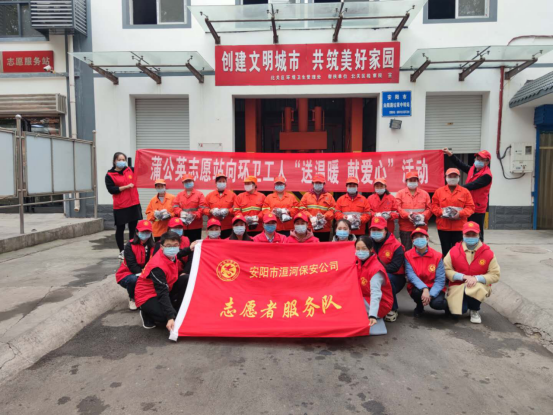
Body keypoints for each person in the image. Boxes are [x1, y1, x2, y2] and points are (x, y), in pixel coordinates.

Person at [444, 221, 500, 324]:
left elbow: (495, 274)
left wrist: (476, 278)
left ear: (479, 235)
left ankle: (475, 309)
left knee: (476, 287)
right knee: (458, 312)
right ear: (463, 235)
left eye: (473, 234)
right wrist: (463, 277)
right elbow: (446, 269)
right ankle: (460, 304)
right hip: (458, 286)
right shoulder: (453, 251)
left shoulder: (488, 253)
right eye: (467, 234)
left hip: (478, 286)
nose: (470, 237)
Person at [135, 231, 190, 331]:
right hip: (148, 295)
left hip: (167, 286)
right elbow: (162, 292)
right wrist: (170, 317)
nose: (172, 248)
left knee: (186, 279)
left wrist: (190, 248)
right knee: (167, 318)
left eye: (175, 245)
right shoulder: (157, 266)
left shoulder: (171, 255)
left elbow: (179, 254)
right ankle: (145, 312)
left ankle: (178, 309)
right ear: (161, 247)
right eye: (168, 245)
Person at [443, 149, 493, 241]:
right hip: (468, 206)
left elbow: (472, 185)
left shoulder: (486, 176)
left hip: (477, 208)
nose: (478, 160)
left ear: (487, 162)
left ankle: (480, 248)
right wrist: (451, 155)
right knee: (467, 230)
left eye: (482, 159)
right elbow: (461, 165)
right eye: (478, 158)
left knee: (476, 231)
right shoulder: (473, 169)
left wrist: (456, 188)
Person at [105, 152, 142, 259]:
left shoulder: (131, 170)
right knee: (120, 228)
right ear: (114, 161)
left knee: (133, 228)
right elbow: (111, 189)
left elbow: (144, 171)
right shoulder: (110, 175)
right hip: (120, 205)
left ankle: (131, 249)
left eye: (123, 159)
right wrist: (125, 187)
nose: (122, 162)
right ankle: (121, 251)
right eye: (119, 160)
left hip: (133, 203)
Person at [431, 168, 476, 257]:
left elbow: (471, 208)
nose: (452, 178)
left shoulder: (465, 192)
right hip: (443, 227)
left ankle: (457, 265)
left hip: (459, 227)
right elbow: (433, 206)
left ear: (459, 177)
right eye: (450, 176)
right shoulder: (439, 191)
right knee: (445, 251)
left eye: (455, 176)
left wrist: (460, 214)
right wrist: (442, 212)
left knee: (459, 252)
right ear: (446, 177)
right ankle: (446, 265)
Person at [404, 228, 447, 317]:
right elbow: (411, 275)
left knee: (436, 303)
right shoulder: (408, 255)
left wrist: (430, 295)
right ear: (412, 240)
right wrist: (424, 288)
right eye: (416, 237)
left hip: (434, 286)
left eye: (421, 236)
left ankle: (449, 307)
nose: (419, 239)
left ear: (427, 239)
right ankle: (419, 307)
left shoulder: (437, 256)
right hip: (419, 287)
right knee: (416, 292)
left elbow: (440, 279)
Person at [368, 217, 405, 322]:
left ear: (385, 230)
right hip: (371, 273)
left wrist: (377, 269)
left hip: (395, 277)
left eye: (379, 230)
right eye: (373, 230)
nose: (375, 232)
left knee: (384, 277)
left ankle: (393, 308)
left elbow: (395, 267)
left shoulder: (396, 246)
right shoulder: (367, 243)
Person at [115, 220, 154, 310]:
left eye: (147, 232)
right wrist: (144, 275)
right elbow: (132, 265)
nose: (145, 234)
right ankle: (132, 298)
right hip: (127, 274)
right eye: (143, 232)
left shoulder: (153, 246)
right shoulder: (130, 245)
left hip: (145, 273)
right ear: (137, 232)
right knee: (133, 280)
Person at [355, 235, 393, 327]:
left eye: (364, 248)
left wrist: (372, 315)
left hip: (380, 305)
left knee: (349, 303)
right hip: (365, 297)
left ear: (371, 249)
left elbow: (376, 294)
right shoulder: (358, 262)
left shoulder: (375, 269)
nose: (360, 251)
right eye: (358, 249)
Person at [395, 171, 432, 251]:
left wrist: (423, 216)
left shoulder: (425, 194)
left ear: (418, 181)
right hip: (406, 228)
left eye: (414, 180)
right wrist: (407, 215)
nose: (412, 182)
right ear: (406, 181)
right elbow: (397, 207)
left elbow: (429, 209)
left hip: (421, 227)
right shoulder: (400, 193)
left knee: (422, 250)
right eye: (410, 180)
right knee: (406, 250)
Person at [299, 174, 335, 242]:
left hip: (324, 229)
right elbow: (301, 209)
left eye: (320, 183)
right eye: (316, 183)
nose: (318, 185)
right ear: (313, 183)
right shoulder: (306, 195)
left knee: (323, 247)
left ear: (323, 184)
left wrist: (324, 216)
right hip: (310, 228)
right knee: (310, 247)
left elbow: (333, 210)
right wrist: (310, 216)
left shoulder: (329, 196)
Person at [172, 174, 206, 243]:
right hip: (183, 226)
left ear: (193, 182)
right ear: (183, 183)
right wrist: (180, 212)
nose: (188, 183)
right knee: (184, 244)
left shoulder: (199, 194)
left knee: (195, 245)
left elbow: (202, 207)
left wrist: (195, 215)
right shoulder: (179, 195)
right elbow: (175, 206)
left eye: (189, 181)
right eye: (186, 182)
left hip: (196, 225)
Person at [203, 172, 236, 239]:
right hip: (213, 227)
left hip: (228, 226)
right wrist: (210, 211)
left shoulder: (232, 195)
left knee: (227, 243)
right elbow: (203, 209)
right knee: (214, 244)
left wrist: (228, 211)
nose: (221, 183)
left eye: (223, 181)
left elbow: (237, 208)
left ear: (226, 183)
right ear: (216, 183)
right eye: (219, 181)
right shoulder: (210, 195)